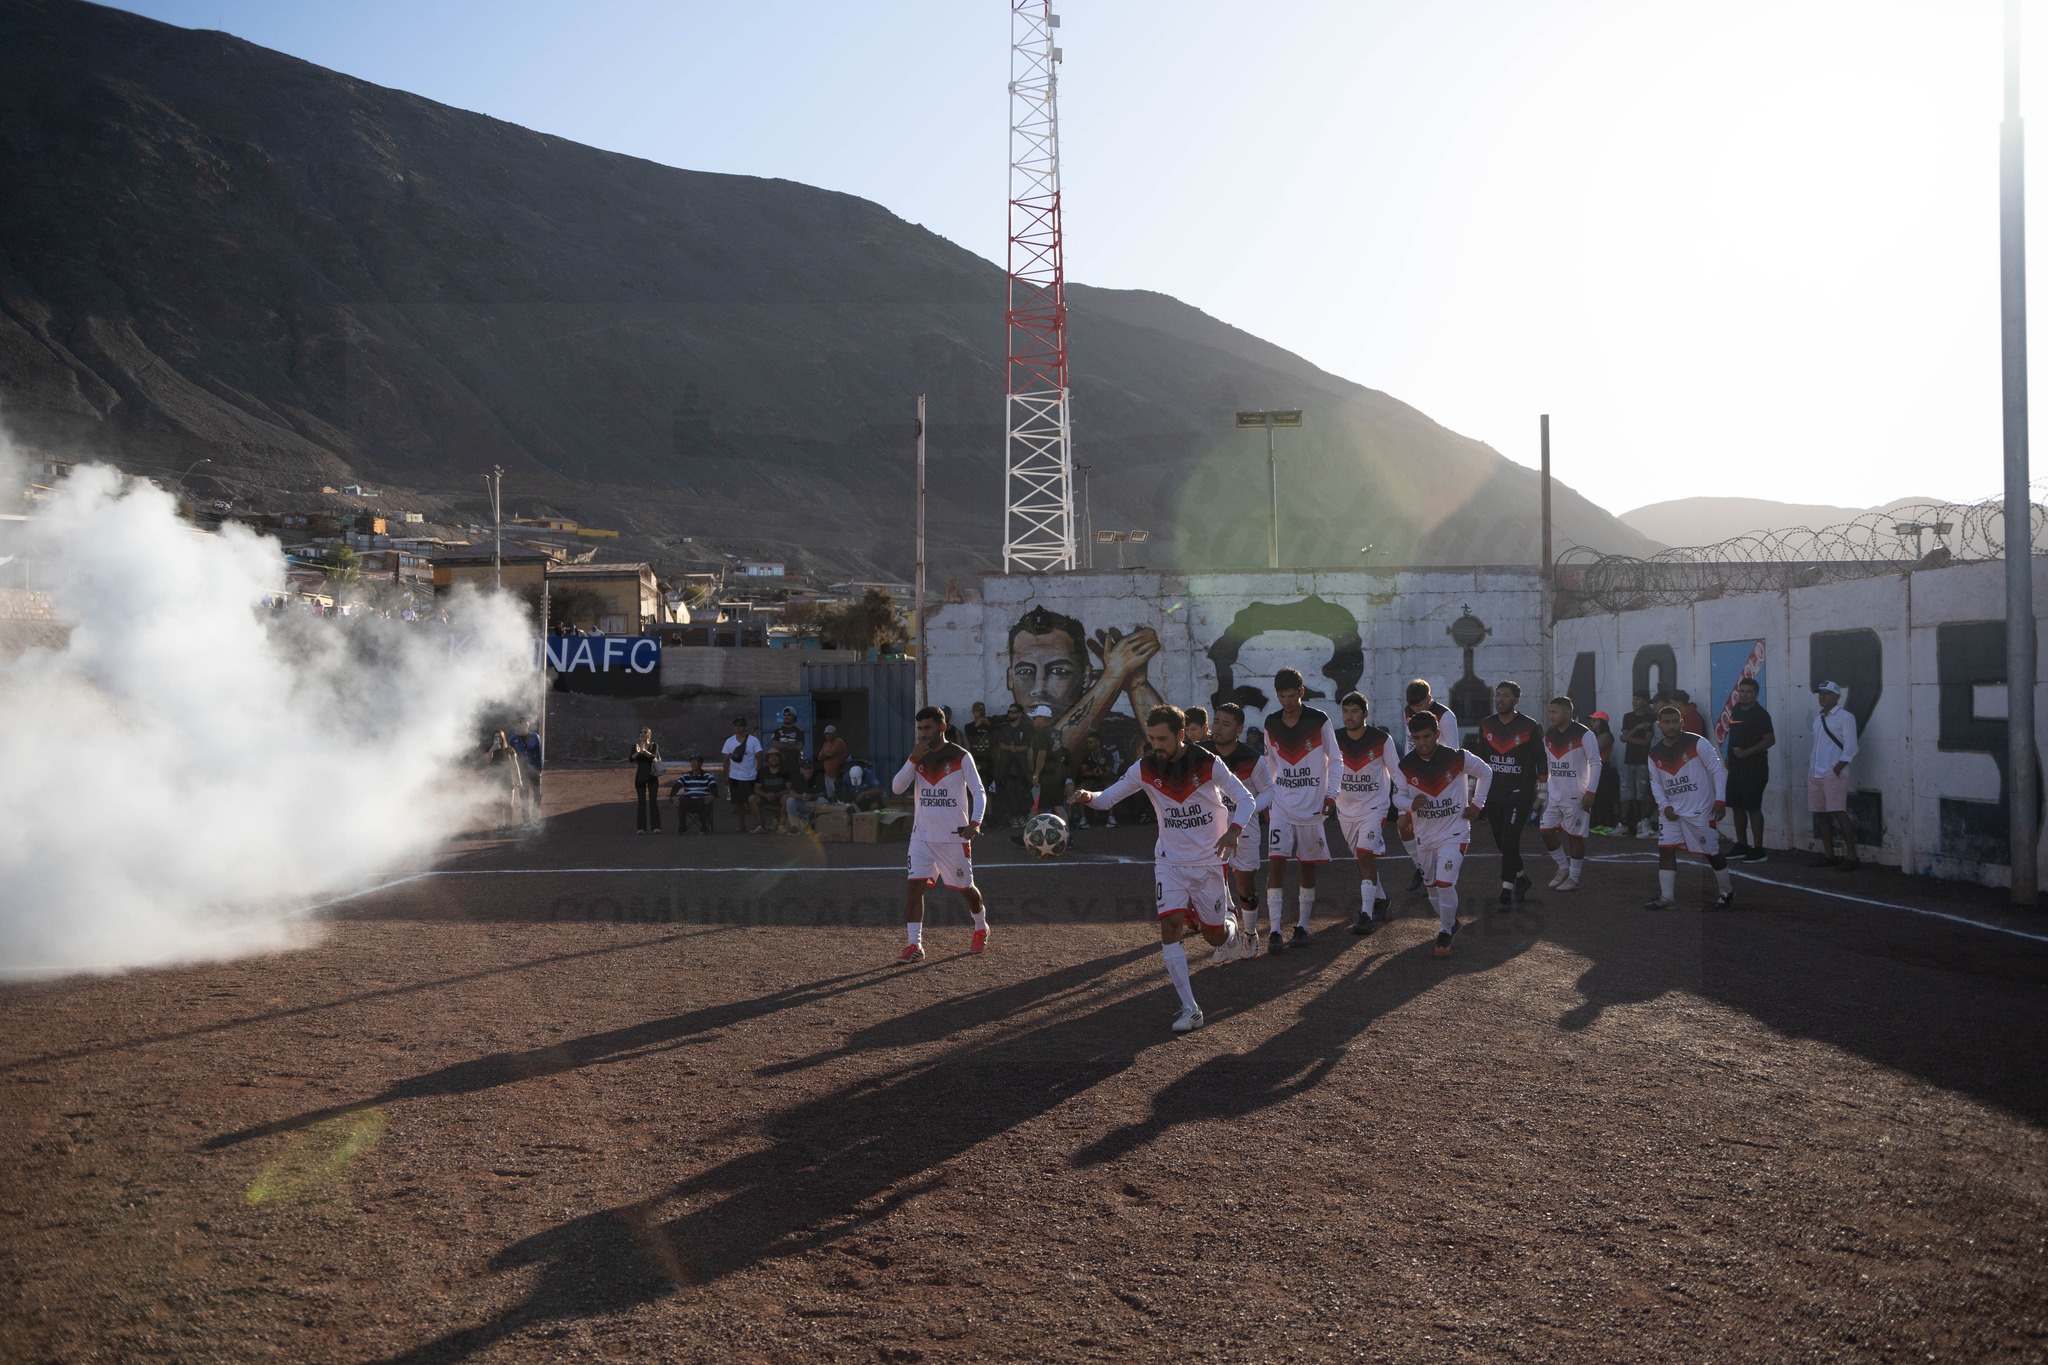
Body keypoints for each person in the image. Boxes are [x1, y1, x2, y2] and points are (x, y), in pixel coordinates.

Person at [1074, 705, 1256, 1033]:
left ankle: (1230, 926)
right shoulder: (1144, 768)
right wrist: (1088, 796)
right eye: (1152, 737)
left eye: (1163, 738)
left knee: (1213, 937)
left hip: (1207, 863)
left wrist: (1234, 830)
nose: (1156, 744)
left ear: (1181, 735)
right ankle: (1190, 1008)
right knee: (1170, 926)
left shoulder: (1207, 762)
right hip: (1169, 863)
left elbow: (1246, 799)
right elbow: (1108, 799)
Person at [1390, 710, 1493, 956]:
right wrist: (1409, 806)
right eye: (1417, 738)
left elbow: (1486, 772)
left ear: (1437, 734)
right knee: (1432, 888)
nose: (1422, 742)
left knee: (1445, 883)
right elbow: (1397, 796)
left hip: (1454, 832)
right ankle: (1452, 921)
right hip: (1425, 836)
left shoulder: (1456, 757)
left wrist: (1477, 805)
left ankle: (1446, 930)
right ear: (1412, 738)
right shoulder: (1405, 765)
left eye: (1427, 736)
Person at [891, 706, 989, 962]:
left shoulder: (960, 756)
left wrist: (975, 822)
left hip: (954, 837)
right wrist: (913, 759)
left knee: (966, 889)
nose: (923, 734)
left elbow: (978, 791)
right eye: (920, 728)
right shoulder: (917, 756)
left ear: (942, 727)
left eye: (928, 728)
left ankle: (980, 926)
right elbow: (897, 787)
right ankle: (915, 945)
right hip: (921, 837)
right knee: (914, 888)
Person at [1258, 667, 1340, 952]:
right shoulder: (1270, 723)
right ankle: (1276, 931)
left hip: (1313, 807)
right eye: (1283, 696)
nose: (1288, 701)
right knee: (1276, 862)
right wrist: (1267, 798)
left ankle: (1303, 926)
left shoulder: (1319, 720)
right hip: (1281, 804)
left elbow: (1336, 760)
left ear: (1302, 692)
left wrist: (1332, 794)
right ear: (1277, 695)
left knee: (1307, 864)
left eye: (1293, 695)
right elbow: (1269, 765)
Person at [1645, 705, 1736, 909]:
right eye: (1666, 722)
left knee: (1711, 852)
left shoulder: (1697, 742)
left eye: (1675, 721)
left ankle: (1726, 890)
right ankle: (1667, 897)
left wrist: (1720, 800)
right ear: (1659, 725)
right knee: (1666, 851)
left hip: (1701, 809)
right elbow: (1656, 783)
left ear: (1681, 723)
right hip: (1671, 812)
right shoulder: (1655, 752)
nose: (1671, 726)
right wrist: (1664, 806)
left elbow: (1718, 771)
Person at [1331, 691, 1397, 933]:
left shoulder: (1381, 740)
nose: (1349, 716)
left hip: (1374, 807)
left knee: (1365, 854)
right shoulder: (1334, 739)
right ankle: (1381, 899)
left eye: (1355, 711)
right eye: (1346, 711)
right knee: (1361, 858)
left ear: (1366, 713)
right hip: (1345, 809)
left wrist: (1405, 807)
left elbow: (1397, 774)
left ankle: (1366, 915)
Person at [1474, 681, 1543, 908]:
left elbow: (1541, 760)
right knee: (1502, 843)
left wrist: (1543, 791)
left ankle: (1506, 890)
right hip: (1493, 793)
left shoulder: (1530, 726)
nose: (1500, 699)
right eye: (1498, 695)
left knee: (1511, 839)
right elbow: (1479, 761)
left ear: (1516, 700)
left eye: (1506, 695)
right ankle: (1522, 878)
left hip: (1519, 793)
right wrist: (1473, 789)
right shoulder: (1486, 725)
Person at [1201, 702, 1266, 929]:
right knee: (1210, 885)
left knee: (1245, 886)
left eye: (1226, 724)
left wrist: (1249, 810)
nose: (1217, 728)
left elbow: (1270, 790)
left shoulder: (1253, 759)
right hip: (1208, 830)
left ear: (1239, 729)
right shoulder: (1200, 753)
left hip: (1244, 830)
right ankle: (1224, 935)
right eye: (1216, 721)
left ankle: (1250, 933)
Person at [1398, 679, 1460, 888]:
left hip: (1436, 781)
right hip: (1413, 775)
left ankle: (1434, 876)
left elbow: (1453, 753)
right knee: (1404, 826)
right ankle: (1421, 869)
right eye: (1413, 706)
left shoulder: (1446, 716)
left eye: (1421, 705)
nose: (1416, 709)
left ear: (1429, 698)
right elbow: (1409, 744)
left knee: (1432, 830)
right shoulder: (1408, 712)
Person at [1537, 696, 1601, 892]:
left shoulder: (1584, 734)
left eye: (1554, 712)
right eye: (1549, 712)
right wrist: (1543, 791)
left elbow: (1596, 763)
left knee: (1575, 837)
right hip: (1555, 795)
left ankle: (1574, 878)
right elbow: (1547, 763)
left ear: (1567, 712)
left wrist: (1590, 792)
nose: (1551, 715)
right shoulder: (1549, 734)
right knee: (1545, 830)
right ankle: (1563, 868)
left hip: (1577, 796)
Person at [1808, 681, 1860, 871]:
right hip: (1815, 772)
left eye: (1827, 694)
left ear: (1837, 696)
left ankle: (1852, 857)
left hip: (1833, 773)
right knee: (1820, 814)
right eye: (1820, 694)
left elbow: (1851, 748)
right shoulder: (1818, 718)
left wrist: (1836, 771)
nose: (1822, 697)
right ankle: (1829, 855)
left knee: (1838, 812)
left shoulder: (1846, 718)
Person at [1724, 677, 1775, 862]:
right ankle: (1742, 844)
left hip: (1755, 768)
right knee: (1737, 806)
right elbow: (1735, 737)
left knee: (1753, 807)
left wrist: (1746, 753)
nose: (1744, 695)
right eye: (1742, 691)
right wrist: (1730, 756)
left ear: (1756, 694)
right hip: (1736, 768)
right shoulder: (1736, 709)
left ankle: (1759, 849)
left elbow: (1770, 740)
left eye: (1748, 692)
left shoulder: (1760, 714)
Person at [1618, 691, 1657, 838]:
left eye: (1638, 699)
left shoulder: (1651, 718)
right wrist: (1637, 728)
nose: (1634, 702)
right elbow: (1622, 738)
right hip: (1628, 760)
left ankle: (1643, 823)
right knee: (1626, 793)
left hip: (1643, 761)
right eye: (1633, 699)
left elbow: (1645, 742)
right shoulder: (1628, 717)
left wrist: (1628, 737)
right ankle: (1624, 824)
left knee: (1642, 794)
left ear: (1645, 701)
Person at [1029, 705, 1074, 825]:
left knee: (1040, 806)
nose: (1033, 720)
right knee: (1049, 806)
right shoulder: (1055, 732)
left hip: (1047, 777)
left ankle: (1029, 835)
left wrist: (1036, 775)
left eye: (1035, 718)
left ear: (1042, 719)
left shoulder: (1041, 734)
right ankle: (1033, 834)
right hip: (1057, 774)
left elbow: (1041, 755)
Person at [722, 716, 764, 833]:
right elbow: (725, 760)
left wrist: (756, 771)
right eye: (736, 725)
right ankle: (741, 825)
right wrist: (726, 775)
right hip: (734, 777)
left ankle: (760, 824)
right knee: (738, 803)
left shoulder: (753, 741)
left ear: (745, 727)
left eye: (740, 725)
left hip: (750, 776)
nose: (738, 727)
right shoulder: (729, 741)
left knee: (752, 800)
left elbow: (759, 756)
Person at [994, 702, 1034, 827]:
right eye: (1009, 711)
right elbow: (1001, 745)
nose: (1010, 714)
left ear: (1020, 714)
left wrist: (1012, 748)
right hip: (1007, 767)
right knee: (1009, 791)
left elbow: (1026, 747)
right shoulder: (1004, 729)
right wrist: (1011, 748)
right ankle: (1013, 817)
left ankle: (1022, 816)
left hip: (1022, 767)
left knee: (1022, 792)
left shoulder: (1026, 728)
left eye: (1013, 711)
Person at [1074, 733, 1120, 828]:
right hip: (1091, 780)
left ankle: (1111, 818)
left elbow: (1109, 772)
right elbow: (1083, 773)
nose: (1088, 744)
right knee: (1079, 790)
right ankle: (1083, 819)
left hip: (1104, 780)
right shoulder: (1086, 754)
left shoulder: (1106, 754)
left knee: (1110, 788)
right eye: (1087, 742)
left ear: (1097, 742)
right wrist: (1092, 773)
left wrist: (1101, 773)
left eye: (1090, 742)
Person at [672, 752, 718, 834]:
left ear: (701, 764)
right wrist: (673, 796)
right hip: (689, 801)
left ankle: (704, 826)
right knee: (682, 800)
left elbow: (714, 787)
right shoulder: (686, 776)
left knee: (703, 801)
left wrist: (712, 795)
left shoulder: (708, 776)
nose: (693, 764)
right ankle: (682, 827)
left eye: (695, 762)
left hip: (702, 801)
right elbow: (676, 786)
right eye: (691, 762)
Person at [628, 727, 662, 834]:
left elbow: (653, 756)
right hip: (640, 777)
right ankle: (641, 828)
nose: (642, 734)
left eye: (645, 732)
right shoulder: (635, 746)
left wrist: (644, 751)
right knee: (641, 802)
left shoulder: (654, 745)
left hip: (652, 776)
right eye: (641, 732)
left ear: (649, 735)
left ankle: (656, 827)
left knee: (653, 802)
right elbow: (631, 759)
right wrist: (638, 753)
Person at [1588, 710, 1618, 832]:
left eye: (1595, 720)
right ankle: (1598, 822)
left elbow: (1594, 750)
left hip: (1603, 769)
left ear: (1602, 722)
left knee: (1603, 797)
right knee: (1596, 797)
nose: (1592, 722)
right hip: (1595, 768)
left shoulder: (1605, 735)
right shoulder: (1595, 735)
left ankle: (1607, 823)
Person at [755, 751, 792, 832]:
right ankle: (760, 826)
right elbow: (756, 788)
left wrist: (777, 795)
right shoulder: (762, 771)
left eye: (776, 756)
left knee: (787, 799)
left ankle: (781, 826)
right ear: (767, 760)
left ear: (780, 759)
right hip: (766, 798)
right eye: (771, 756)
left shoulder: (785, 771)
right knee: (752, 798)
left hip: (780, 798)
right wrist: (766, 795)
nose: (773, 758)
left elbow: (789, 789)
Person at [785, 757, 825, 832]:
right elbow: (791, 792)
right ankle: (795, 826)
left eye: (810, 768)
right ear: (801, 770)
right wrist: (800, 796)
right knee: (790, 800)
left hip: (814, 805)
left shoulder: (818, 777)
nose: (808, 770)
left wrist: (811, 797)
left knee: (822, 800)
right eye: (806, 768)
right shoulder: (797, 778)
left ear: (813, 768)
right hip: (802, 803)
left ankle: (816, 825)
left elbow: (823, 793)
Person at [964, 702, 996, 783]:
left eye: (982, 711)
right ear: (973, 712)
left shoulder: (990, 725)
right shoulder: (969, 726)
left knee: (989, 783)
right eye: (978, 711)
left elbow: (996, 739)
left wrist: (989, 725)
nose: (980, 713)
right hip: (976, 757)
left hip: (988, 757)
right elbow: (969, 737)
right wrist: (977, 725)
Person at [816, 724, 850, 801]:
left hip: (836, 775)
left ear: (835, 733)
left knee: (837, 795)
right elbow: (820, 757)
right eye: (826, 734)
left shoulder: (839, 742)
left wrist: (825, 753)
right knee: (830, 796)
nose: (827, 736)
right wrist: (826, 754)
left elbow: (830, 754)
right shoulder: (825, 744)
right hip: (827, 775)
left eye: (830, 733)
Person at [770, 707, 806, 772]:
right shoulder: (777, 731)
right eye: (784, 715)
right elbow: (775, 745)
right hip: (779, 765)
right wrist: (791, 745)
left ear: (794, 717)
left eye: (789, 715)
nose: (786, 717)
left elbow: (799, 746)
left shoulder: (799, 731)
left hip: (795, 765)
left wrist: (782, 746)